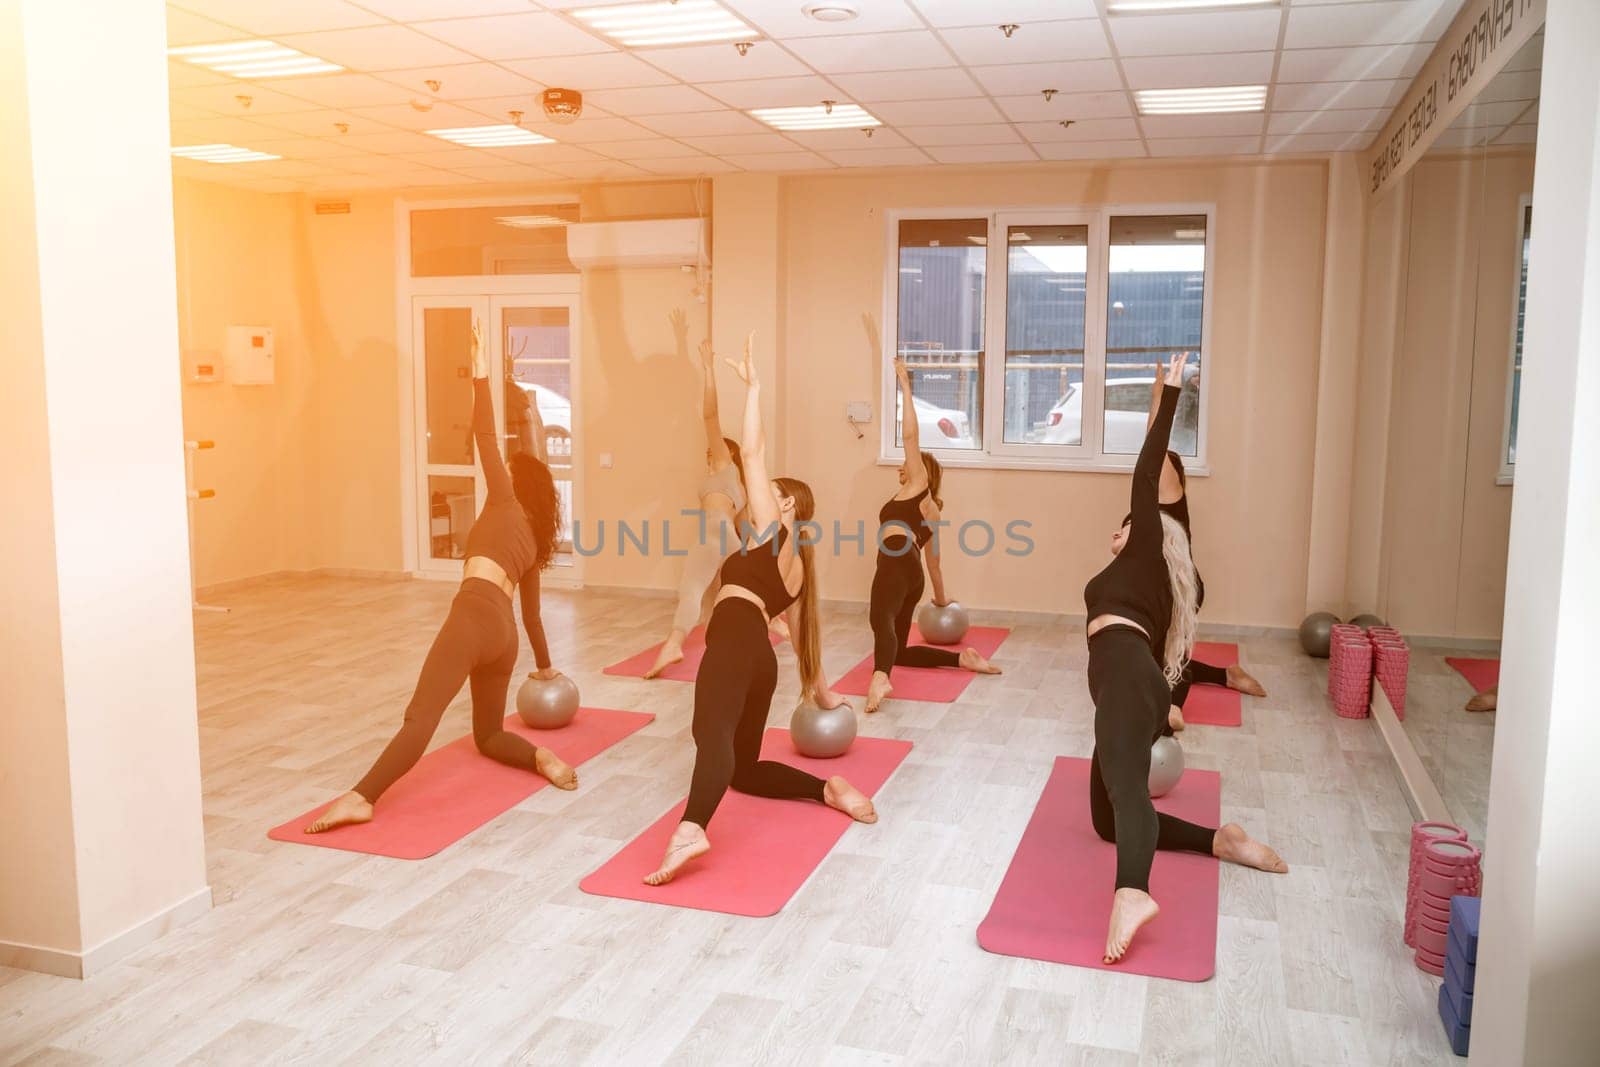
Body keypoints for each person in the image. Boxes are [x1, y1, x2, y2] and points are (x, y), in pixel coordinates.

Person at [307, 322, 576, 833]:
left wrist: (480, 376)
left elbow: (484, 438)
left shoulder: (503, 497)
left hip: (473, 617)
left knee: (420, 718)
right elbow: (534, 616)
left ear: (516, 482)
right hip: (505, 638)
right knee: (489, 735)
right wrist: (544, 669)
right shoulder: (535, 541)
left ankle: (362, 796)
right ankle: (541, 757)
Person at [644, 334, 876, 885]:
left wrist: (753, 389)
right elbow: (801, 643)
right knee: (741, 768)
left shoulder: (774, 533)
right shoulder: (796, 571)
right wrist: (822, 694)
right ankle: (827, 790)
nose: (757, 495)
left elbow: (750, 452)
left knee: (710, 737)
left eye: (768, 491)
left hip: (734, 646)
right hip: (759, 660)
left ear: (788, 504)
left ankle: (691, 828)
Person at [1082, 352, 1287, 964]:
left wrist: (1170, 394)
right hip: (1128, 679)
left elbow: (1148, 472)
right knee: (1107, 818)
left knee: (1129, 794)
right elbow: (1152, 474)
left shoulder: (1150, 540)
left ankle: (1133, 892)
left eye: (1127, 524)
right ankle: (1219, 841)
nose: (1118, 530)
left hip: (1123, 668)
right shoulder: (1157, 560)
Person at [863, 314, 999, 715]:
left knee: (878, 621)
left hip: (892, 564)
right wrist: (940, 599)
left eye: (908, 464)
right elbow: (933, 564)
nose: (902, 465)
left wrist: (905, 386)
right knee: (899, 649)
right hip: (914, 575)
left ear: (922, 472)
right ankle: (964, 660)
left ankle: (877, 680)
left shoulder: (916, 487)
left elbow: (909, 437)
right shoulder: (931, 511)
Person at [645, 310, 780, 678]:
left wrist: (706, 368)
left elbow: (709, 417)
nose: (710, 451)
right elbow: (743, 526)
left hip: (712, 537)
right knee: (723, 592)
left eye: (717, 449)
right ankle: (773, 622)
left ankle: (673, 645)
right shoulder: (736, 484)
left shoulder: (725, 467)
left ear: (727, 453)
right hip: (730, 540)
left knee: (689, 590)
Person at [1141, 371, 1267, 733]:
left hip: (1178, 586)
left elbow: (1155, 444)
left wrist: (1160, 399)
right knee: (1152, 655)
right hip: (1157, 586)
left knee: (1167, 655)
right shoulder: (1146, 502)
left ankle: (1174, 707)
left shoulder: (1170, 499)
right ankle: (1226, 675)